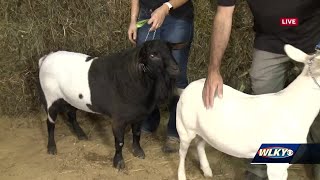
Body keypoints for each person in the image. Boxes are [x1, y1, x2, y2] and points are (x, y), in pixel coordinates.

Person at [202, 0, 320, 179]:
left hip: (312, 39)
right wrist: (213, 69)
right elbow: (224, 15)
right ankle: (262, 167)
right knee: (262, 100)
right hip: (270, 40)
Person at [128, 0, 194, 153]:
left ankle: (175, 131)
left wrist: (165, 8)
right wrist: (133, 20)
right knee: (146, 73)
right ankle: (149, 121)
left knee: (175, 75)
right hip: (147, 15)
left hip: (176, 17)